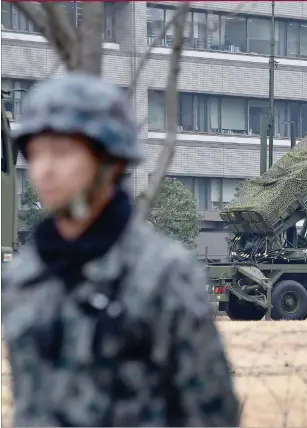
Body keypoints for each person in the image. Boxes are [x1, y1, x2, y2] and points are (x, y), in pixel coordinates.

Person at [1, 72, 240, 427]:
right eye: (35, 154)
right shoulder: (23, 278)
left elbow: (211, 413)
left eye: (61, 153)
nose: (43, 170)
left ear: (110, 163)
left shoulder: (164, 274)